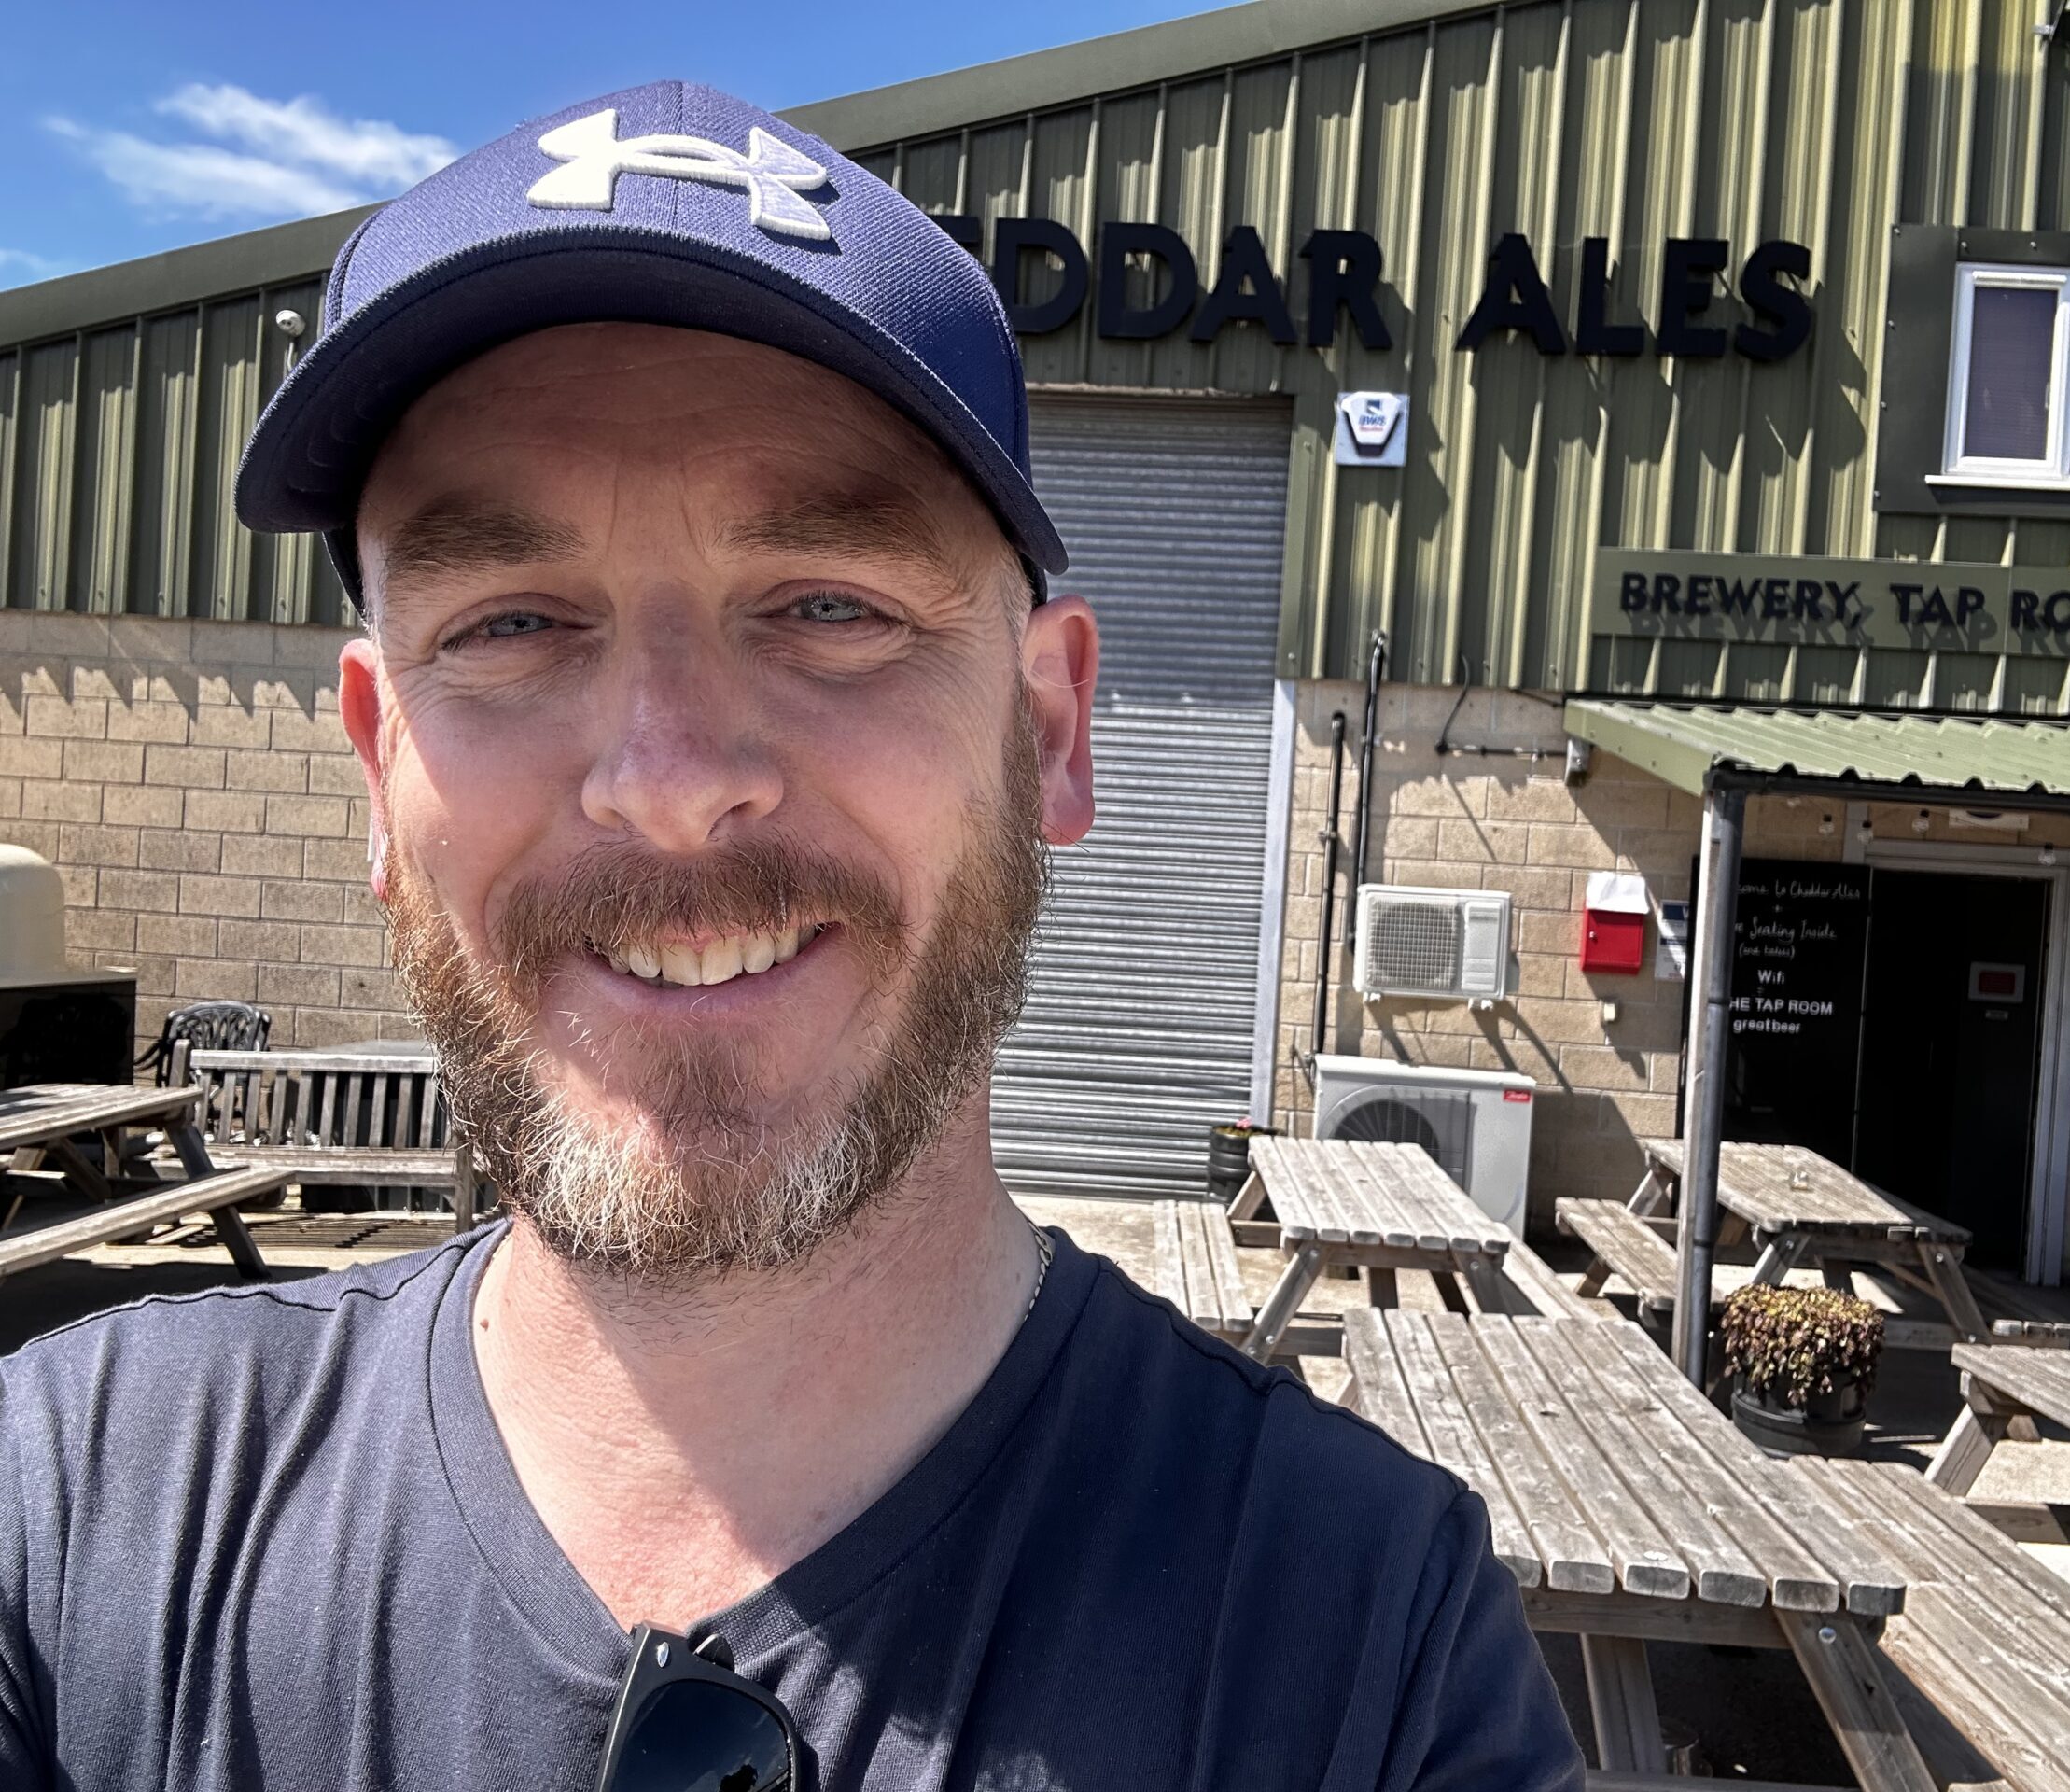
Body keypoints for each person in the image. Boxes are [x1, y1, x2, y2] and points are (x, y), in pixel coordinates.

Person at [0, 82, 1583, 1791]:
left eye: (831, 607)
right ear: (379, 764)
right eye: (513, 622)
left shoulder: (1362, 1651)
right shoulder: (72, 1506)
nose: (671, 785)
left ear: (1047, 730)